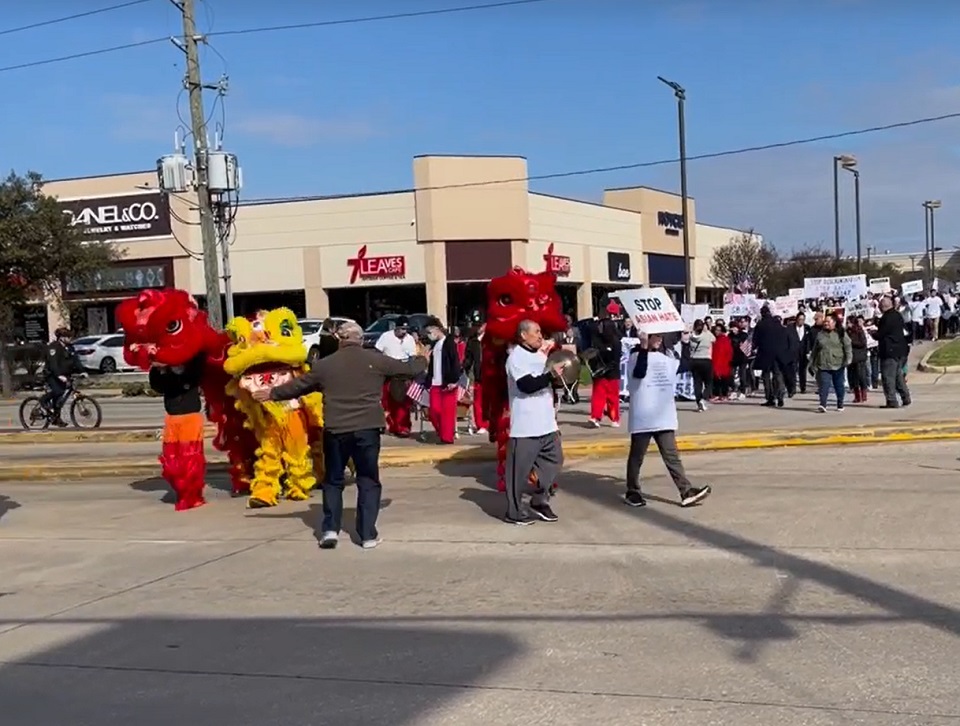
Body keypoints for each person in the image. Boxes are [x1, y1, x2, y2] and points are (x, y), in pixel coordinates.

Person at [256, 321, 427, 550]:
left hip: (336, 430)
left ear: (339, 339)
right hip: (367, 430)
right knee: (367, 480)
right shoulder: (375, 361)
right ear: (361, 338)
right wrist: (423, 357)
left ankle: (330, 530)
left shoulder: (325, 365)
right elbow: (408, 369)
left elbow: (299, 386)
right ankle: (367, 535)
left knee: (333, 481)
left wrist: (272, 393)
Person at [624, 332, 712, 508]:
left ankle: (685, 491)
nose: (659, 340)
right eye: (654, 336)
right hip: (643, 417)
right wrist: (642, 346)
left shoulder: (664, 357)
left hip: (663, 417)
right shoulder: (635, 356)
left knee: (672, 456)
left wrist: (686, 343)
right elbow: (640, 372)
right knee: (637, 456)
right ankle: (632, 491)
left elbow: (685, 365)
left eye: (660, 337)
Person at [504, 319, 566, 525]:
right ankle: (514, 512)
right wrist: (549, 376)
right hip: (525, 426)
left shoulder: (541, 356)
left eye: (541, 332)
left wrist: (560, 377)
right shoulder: (516, 358)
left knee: (555, 461)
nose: (541, 336)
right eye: (536, 332)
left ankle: (538, 500)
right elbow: (527, 385)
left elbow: (548, 382)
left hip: (547, 423)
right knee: (518, 474)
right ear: (523, 335)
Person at [149, 354, 208, 511]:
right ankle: (181, 491)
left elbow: (195, 375)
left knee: (191, 458)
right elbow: (157, 386)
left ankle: (193, 495)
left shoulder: (193, 363)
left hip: (191, 417)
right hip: (172, 417)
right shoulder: (164, 368)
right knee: (172, 459)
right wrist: (158, 369)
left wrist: (176, 362)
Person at [375, 317, 418, 437]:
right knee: (387, 402)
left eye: (406, 329)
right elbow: (378, 352)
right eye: (401, 329)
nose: (404, 332)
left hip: (404, 373)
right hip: (389, 371)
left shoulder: (409, 339)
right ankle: (392, 425)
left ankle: (403, 427)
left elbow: (412, 357)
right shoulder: (386, 337)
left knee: (403, 402)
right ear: (396, 328)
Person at [423, 323, 462, 444]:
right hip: (435, 382)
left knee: (448, 413)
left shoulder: (448, 342)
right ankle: (442, 431)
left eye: (430, 332)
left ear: (437, 329)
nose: (429, 335)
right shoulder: (434, 345)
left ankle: (447, 437)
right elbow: (432, 365)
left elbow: (455, 361)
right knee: (434, 410)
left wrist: (453, 380)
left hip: (447, 382)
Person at [809, 314, 852, 412]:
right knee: (824, 384)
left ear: (834, 323)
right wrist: (812, 362)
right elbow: (815, 349)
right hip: (823, 363)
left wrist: (848, 359)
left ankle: (840, 403)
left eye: (828, 322)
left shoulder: (841, 333)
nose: (826, 323)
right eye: (825, 322)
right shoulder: (820, 334)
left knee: (839, 385)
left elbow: (848, 346)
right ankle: (823, 404)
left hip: (838, 363)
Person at [874, 295, 911, 409]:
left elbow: (882, 334)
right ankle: (905, 397)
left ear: (883, 306)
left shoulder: (887, 318)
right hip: (900, 350)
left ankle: (891, 400)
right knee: (898, 376)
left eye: (880, 306)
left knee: (888, 377)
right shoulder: (897, 315)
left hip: (889, 350)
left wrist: (873, 334)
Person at [40, 327, 82, 426]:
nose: (70, 338)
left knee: (59, 399)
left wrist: (83, 371)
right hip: (52, 375)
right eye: (67, 337)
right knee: (58, 391)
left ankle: (56, 418)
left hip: (65, 375)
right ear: (61, 338)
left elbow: (76, 360)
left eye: (70, 336)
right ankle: (43, 400)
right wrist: (59, 375)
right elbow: (53, 364)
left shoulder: (70, 347)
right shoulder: (53, 347)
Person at [588, 306, 622, 427]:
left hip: (612, 371)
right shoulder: (597, 340)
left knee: (612, 396)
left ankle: (614, 418)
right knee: (598, 395)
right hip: (600, 371)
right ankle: (595, 417)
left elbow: (616, 358)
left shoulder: (616, 342)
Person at [752, 306, 789, 408]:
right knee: (778, 375)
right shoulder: (778, 324)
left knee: (766, 376)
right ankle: (780, 394)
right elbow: (784, 337)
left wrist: (753, 349)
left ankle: (770, 398)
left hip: (765, 353)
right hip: (778, 353)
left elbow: (755, 340)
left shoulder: (760, 325)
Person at [462, 322, 488, 434]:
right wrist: (465, 370)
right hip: (478, 375)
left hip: (490, 374)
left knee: (489, 402)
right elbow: (468, 359)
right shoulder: (473, 342)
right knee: (478, 401)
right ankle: (481, 424)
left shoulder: (490, 341)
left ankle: (489, 424)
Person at [687, 319, 715, 411]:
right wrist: (707, 330)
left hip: (694, 360)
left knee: (697, 382)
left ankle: (698, 401)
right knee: (709, 382)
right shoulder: (707, 335)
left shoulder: (691, 336)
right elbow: (714, 339)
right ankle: (703, 398)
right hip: (706, 360)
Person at [846, 315, 870, 403]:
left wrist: (851, 342)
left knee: (861, 376)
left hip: (859, 357)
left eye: (849, 322)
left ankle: (864, 394)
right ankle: (857, 395)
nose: (847, 324)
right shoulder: (847, 332)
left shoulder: (859, 331)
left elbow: (863, 343)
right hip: (850, 357)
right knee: (853, 377)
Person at [789, 312, 812, 395]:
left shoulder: (807, 328)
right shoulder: (790, 327)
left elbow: (808, 341)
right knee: (793, 370)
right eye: (799, 319)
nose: (801, 321)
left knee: (802, 370)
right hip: (793, 352)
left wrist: (808, 351)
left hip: (803, 352)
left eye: (802, 320)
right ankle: (792, 388)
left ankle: (803, 387)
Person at [710, 323, 734, 400]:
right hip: (715, 360)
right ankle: (716, 394)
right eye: (716, 330)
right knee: (715, 379)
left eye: (718, 330)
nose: (717, 332)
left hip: (724, 362)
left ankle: (724, 394)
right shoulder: (714, 339)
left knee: (724, 379)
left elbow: (729, 351)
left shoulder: (725, 339)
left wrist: (729, 360)